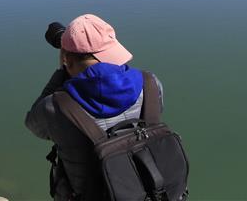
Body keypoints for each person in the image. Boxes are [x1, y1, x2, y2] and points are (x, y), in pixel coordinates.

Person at [25, 14, 164, 200]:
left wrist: (61, 73)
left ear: (67, 59)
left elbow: (33, 124)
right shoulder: (151, 84)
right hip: (150, 192)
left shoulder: (55, 107)